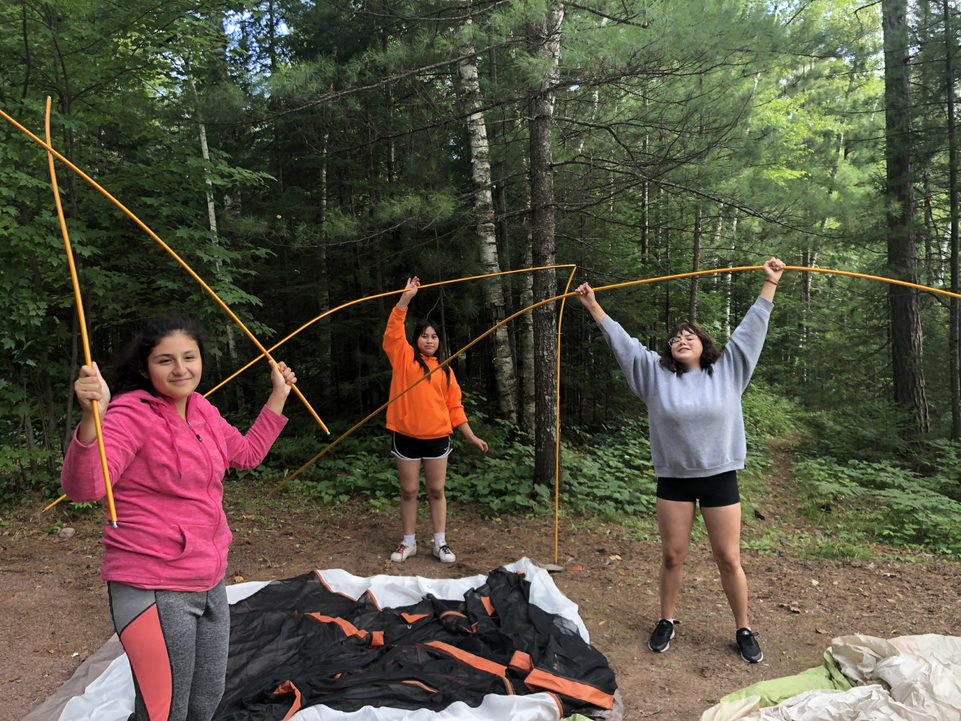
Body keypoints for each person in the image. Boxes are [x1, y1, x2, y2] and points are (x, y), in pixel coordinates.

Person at [61, 314, 297, 721]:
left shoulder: (202, 409)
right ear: (145, 367)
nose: (180, 368)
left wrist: (278, 394)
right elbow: (86, 488)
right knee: (164, 711)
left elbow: (246, 455)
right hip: (153, 582)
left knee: (205, 702)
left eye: (189, 357)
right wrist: (90, 419)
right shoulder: (129, 413)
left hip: (208, 579)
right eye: (165, 360)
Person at [575, 258, 785, 664]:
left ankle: (743, 627)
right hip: (674, 480)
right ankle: (667, 619)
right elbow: (624, 344)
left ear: (704, 345)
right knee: (673, 556)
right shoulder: (653, 375)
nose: (682, 339)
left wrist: (769, 284)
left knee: (729, 558)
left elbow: (751, 331)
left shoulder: (728, 371)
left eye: (690, 336)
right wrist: (594, 307)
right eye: (675, 337)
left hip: (719, 477)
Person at [384, 276, 489, 564]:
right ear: (416, 339)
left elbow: (455, 407)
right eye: (424, 336)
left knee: (437, 489)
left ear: (438, 341)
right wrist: (406, 298)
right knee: (408, 490)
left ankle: (440, 542)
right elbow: (393, 332)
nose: (429, 340)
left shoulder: (445, 371)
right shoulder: (404, 359)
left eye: (433, 336)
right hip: (406, 436)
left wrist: (470, 435)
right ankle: (409, 542)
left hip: (438, 440)